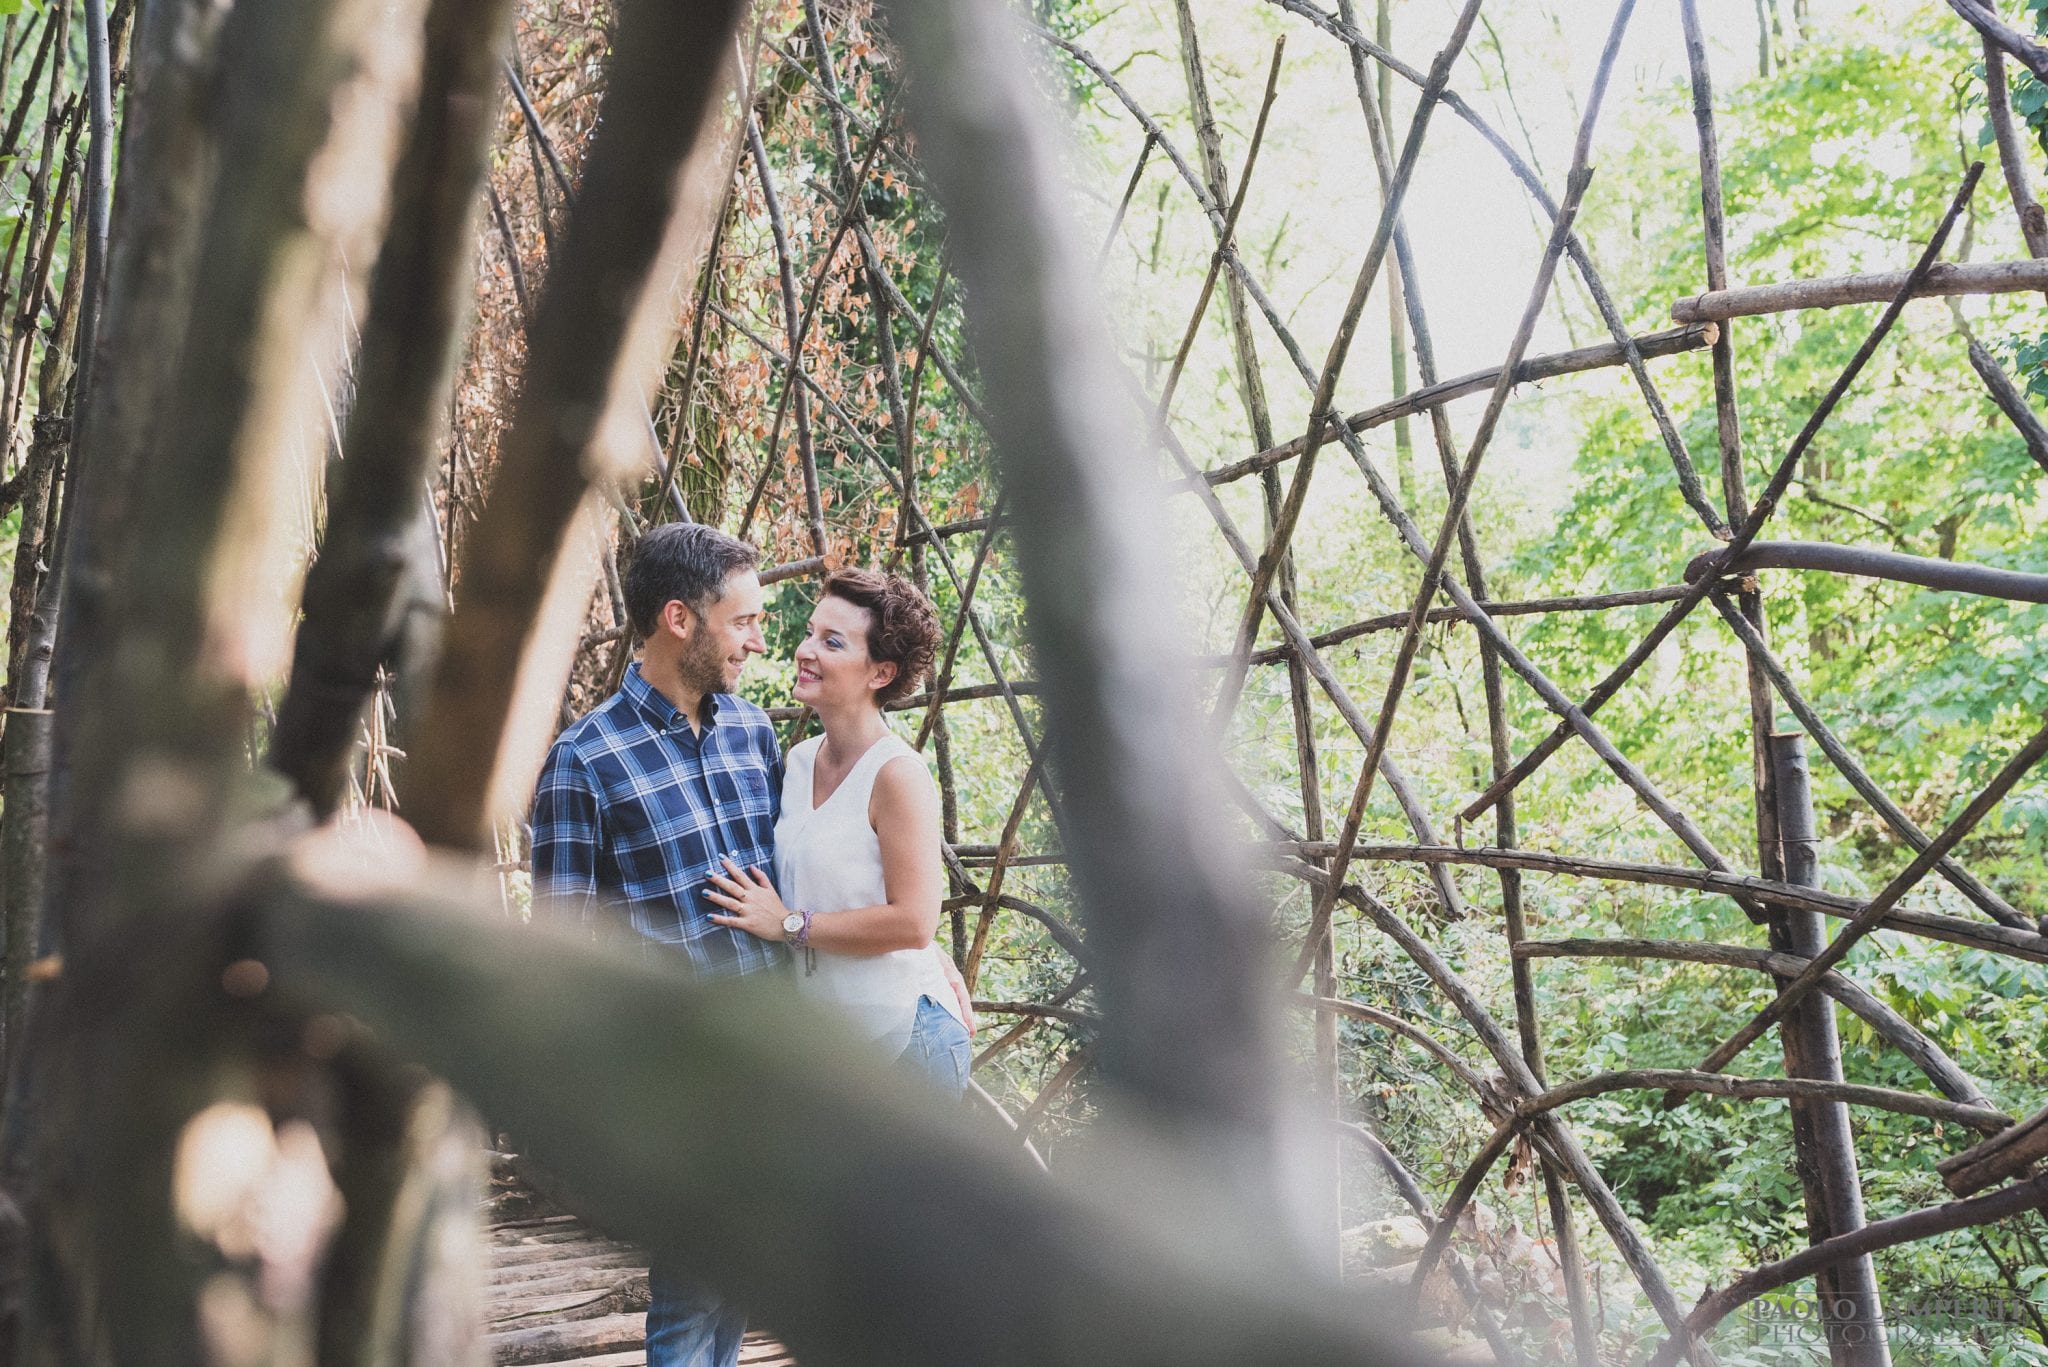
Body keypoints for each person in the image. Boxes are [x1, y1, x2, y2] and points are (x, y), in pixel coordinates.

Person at [528, 523, 779, 1367]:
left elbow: (800, 888)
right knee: (686, 1299)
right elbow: (562, 954)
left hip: (774, 1067)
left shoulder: (754, 734)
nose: (757, 639)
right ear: (679, 618)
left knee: (733, 1287)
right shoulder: (583, 763)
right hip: (680, 1085)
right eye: (743, 620)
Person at [705, 568, 975, 1094]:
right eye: (811, 632)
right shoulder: (799, 761)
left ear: (881, 672)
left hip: (907, 1042)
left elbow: (915, 922)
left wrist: (789, 925)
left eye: (832, 642)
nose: (805, 650)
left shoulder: (896, 775)